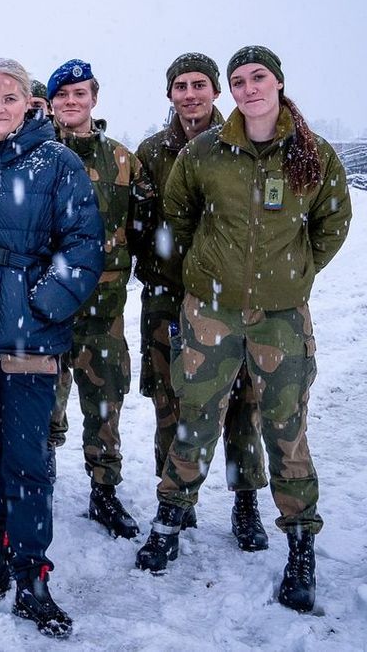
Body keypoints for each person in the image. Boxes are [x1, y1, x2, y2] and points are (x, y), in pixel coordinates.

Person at [136, 46, 352, 615]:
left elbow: (332, 222)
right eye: (239, 80)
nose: (249, 87)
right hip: (211, 312)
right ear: (229, 91)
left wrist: (292, 273)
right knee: (195, 416)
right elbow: (179, 215)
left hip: (280, 319)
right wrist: (208, 271)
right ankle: (170, 518)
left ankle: (300, 541)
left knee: (284, 426)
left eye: (259, 77)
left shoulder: (313, 153)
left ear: (278, 82)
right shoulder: (206, 153)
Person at [0, 58, 102, 638]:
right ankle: (2, 547)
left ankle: (34, 573)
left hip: (29, 342)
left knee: (28, 460)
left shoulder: (58, 164)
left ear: (31, 104)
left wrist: (42, 305)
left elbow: (84, 246)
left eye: (10, 97)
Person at [135, 52, 268, 546]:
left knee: (242, 400)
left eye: (199, 85)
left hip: (234, 299)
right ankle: (175, 499)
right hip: (169, 296)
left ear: (215, 92)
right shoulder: (152, 152)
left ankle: (246, 500)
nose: (189, 94)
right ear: (170, 95)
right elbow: (142, 227)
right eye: (180, 87)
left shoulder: (243, 142)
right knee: (172, 400)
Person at [45, 59, 155, 539]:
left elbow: (147, 224)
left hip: (103, 309)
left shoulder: (124, 161)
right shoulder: (37, 155)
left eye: (80, 93)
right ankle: (39, 477)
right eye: (63, 94)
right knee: (42, 401)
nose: (72, 101)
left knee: (105, 403)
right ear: (50, 102)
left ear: (94, 98)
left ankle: (104, 490)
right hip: (44, 306)